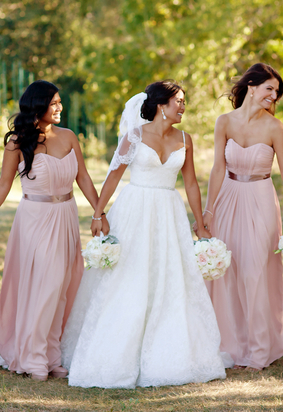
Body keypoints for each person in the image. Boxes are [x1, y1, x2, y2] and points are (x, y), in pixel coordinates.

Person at [61, 81, 228, 388]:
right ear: (161, 105)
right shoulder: (134, 136)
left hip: (168, 211)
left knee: (170, 279)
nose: (183, 106)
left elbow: (190, 183)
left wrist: (200, 223)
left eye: (184, 101)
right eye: (178, 101)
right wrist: (99, 213)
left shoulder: (186, 139)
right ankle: (115, 353)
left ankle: (168, 353)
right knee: (129, 278)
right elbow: (113, 176)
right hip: (135, 209)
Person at [0, 81, 99, 381]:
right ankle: (32, 357)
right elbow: (4, 184)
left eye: (60, 102)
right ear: (38, 105)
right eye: (54, 103)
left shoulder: (70, 137)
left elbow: (83, 178)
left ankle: (52, 356)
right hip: (36, 218)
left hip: (67, 215)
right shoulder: (18, 142)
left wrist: (99, 212)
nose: (60, 107)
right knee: (45, 285)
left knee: (64, 286)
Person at [203, 63, 283, 370]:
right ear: (251, 86)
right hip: (228, 198)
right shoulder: (224, 121)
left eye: (276, 92)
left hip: (261, 199)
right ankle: (234, 348)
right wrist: (209, 210)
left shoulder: (275, 127)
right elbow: (217, 168)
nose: (273, 96)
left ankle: (260, 350)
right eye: (269, 89)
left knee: (255, 269)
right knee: (230, 272)